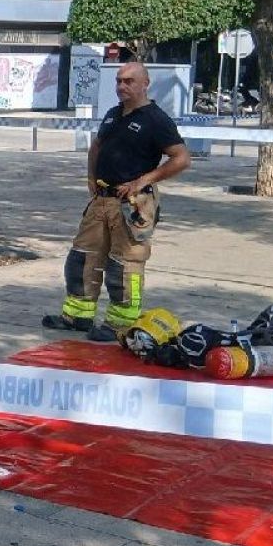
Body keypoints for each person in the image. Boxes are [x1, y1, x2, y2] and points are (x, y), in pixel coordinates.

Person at [43, 62, 190, 341]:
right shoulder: (113, 114)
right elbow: (97, 146)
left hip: (132, 204)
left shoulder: (156, 120)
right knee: (82, 258)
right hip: (102, 201)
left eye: (129, 81)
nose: (122, 86)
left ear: (145, 83)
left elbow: (181, 158)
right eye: (119, 81)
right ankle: (78, 316)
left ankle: (121, 324)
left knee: (125, 266)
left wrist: (145, 180)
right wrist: (91, 178)